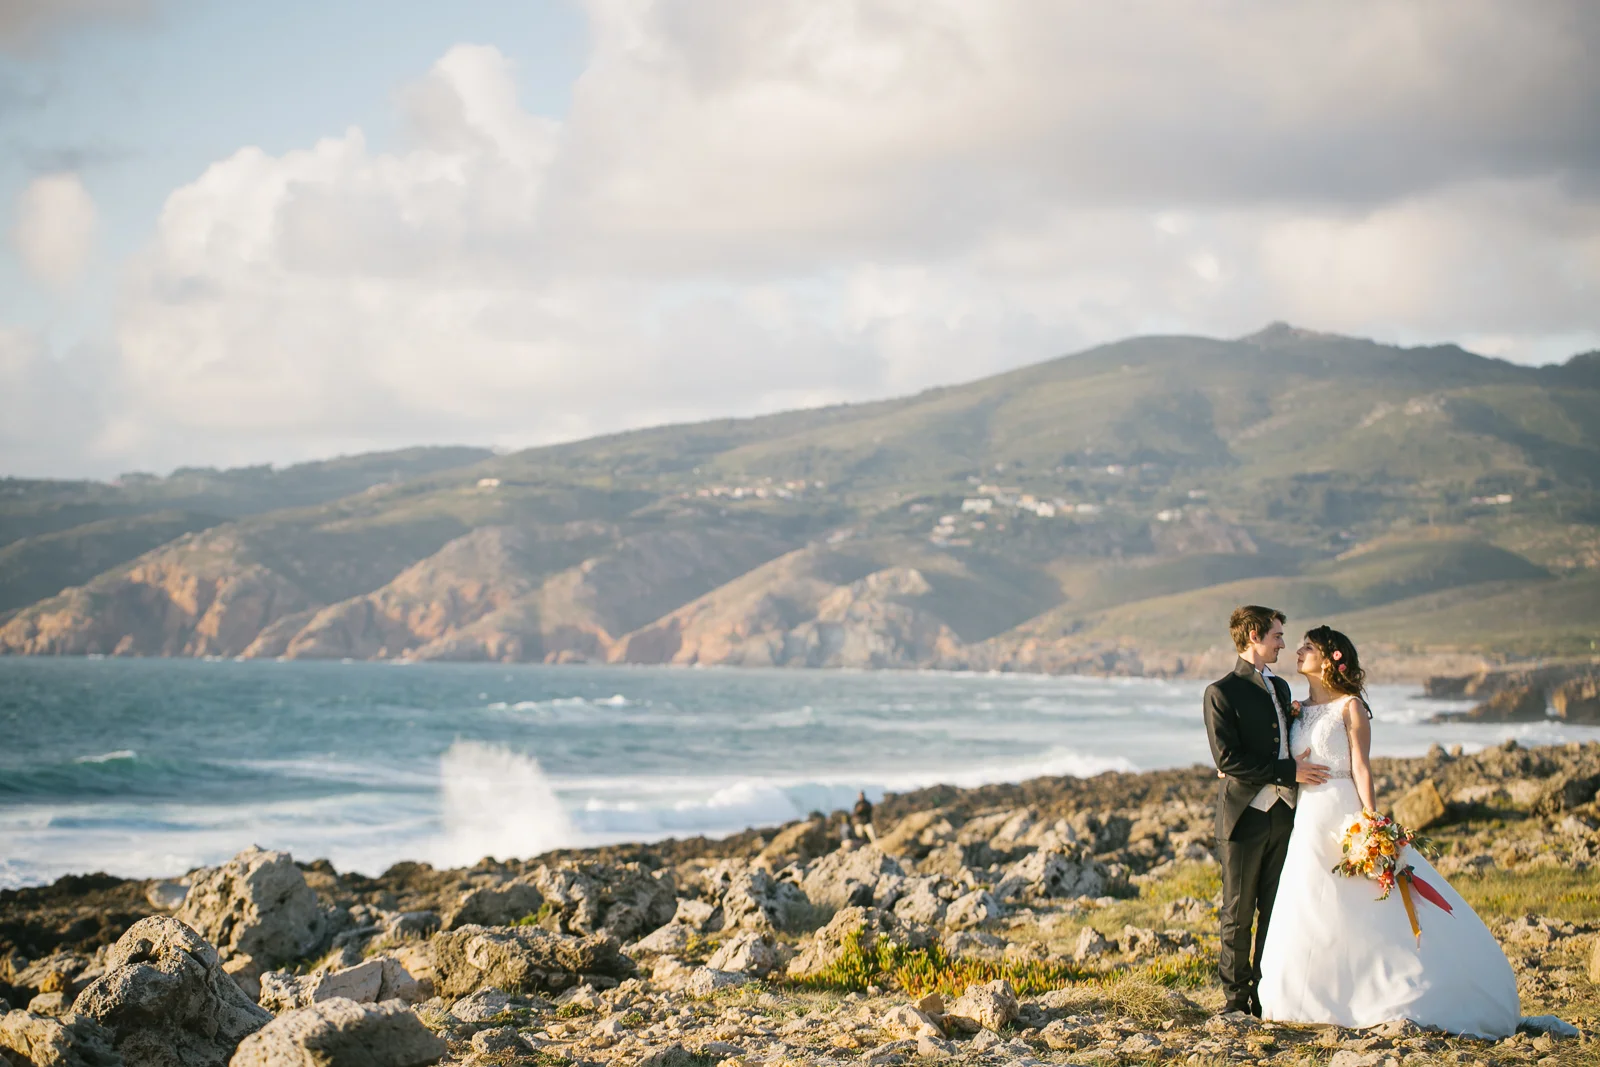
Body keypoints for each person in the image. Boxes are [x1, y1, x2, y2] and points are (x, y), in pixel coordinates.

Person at [1257, 626, 1520, 1037]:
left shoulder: (1351, 708)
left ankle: (1392, 986)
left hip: (1344, 811)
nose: (1299, 651)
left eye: (1308, 646)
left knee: (1367, 906)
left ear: (1329, 659)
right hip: (1308, 815)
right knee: (1308, 901)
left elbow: (1362, 767)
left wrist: (1371, 824)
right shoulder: (1296, 708)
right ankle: (1304, 996)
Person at [1203, 604, 1330, 1016]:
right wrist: (1288, 770)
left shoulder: (1281, 689)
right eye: (1276, 635)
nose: (1282, 643)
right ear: (1254, 636)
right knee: (1237, 913)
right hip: (1243, 818)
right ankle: (1236, 1001)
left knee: (1275, 909)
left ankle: (1266, 995)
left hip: (1283, 816)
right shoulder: (1220, 692)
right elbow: (1228, 761)